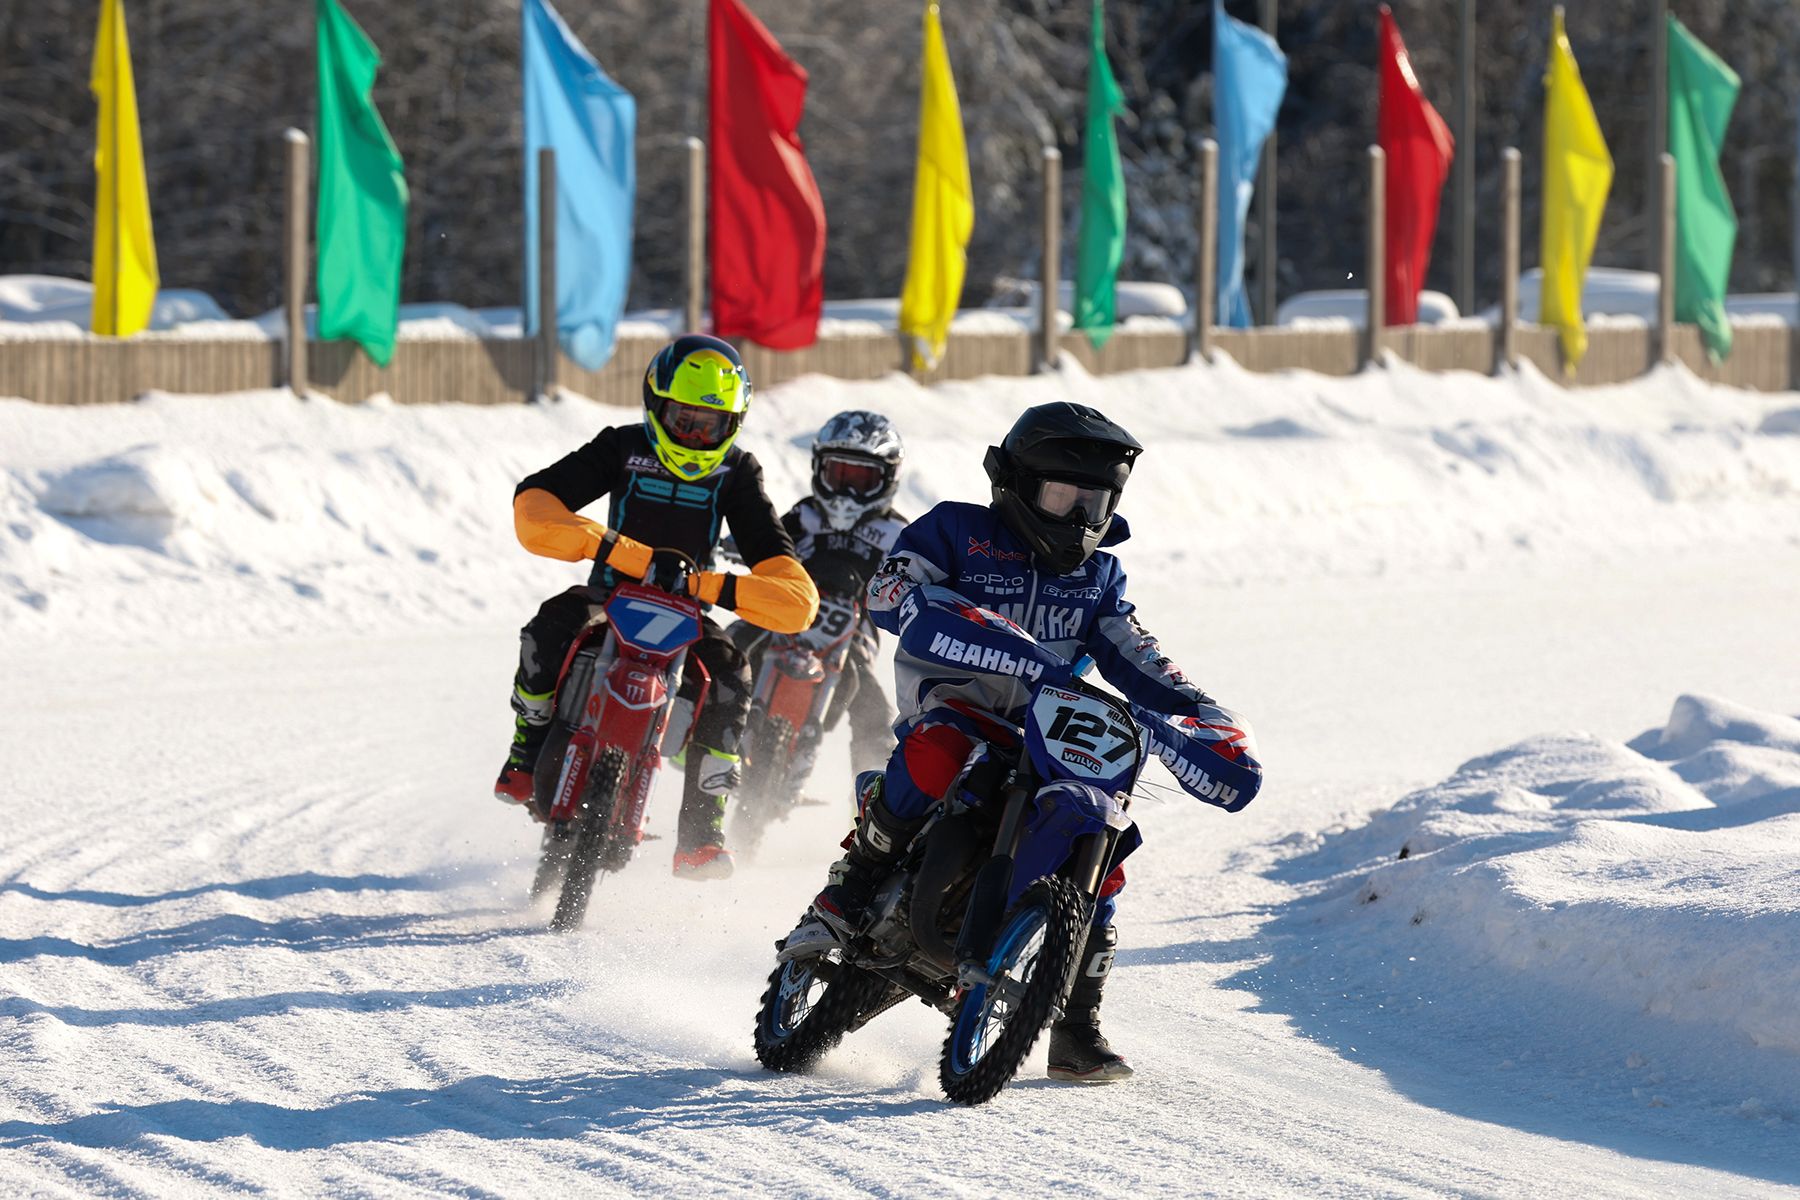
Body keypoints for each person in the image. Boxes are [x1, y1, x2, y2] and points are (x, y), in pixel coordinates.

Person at [786, 401, 1225, 1083]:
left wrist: (1200, 710)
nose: (1079, 516)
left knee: (1104, 842)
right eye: (1063, 496)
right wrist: (915, 600)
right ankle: (851, 887)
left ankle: (1076, 1026)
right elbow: (889, 591)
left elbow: (1134, 651)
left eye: (1095, 502)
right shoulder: (955, 530)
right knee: (940, 746)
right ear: (1016, 484)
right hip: (954, 709)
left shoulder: (1099, 577)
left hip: (1046, 734)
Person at [493, 334, 819, 880]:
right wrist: (615, 550)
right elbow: (534, 502)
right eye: (683, 420)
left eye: (709, 425)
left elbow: (793, 590)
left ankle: (701, 834)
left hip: (688, 606)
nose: (694, 435)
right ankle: (526, 749)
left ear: (733, 424)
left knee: (733, 677)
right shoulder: (621, 446)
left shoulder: (738, 472)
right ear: (655, 405)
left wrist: (711, 586)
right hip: (608, 593)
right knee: (547, 629)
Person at [730, 411, 909, 792]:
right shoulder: (806, 515)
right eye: (839, 475)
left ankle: (875, 791)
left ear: (886, 478)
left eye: (861, 479)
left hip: (855, 628)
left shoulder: (898, 533)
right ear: (819, 469)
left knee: (870, 700)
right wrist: (740, 546)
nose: (847, 492)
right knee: (733, 641)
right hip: (790, 610)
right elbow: (768, 542)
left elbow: (923, 570)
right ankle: (706, 727)